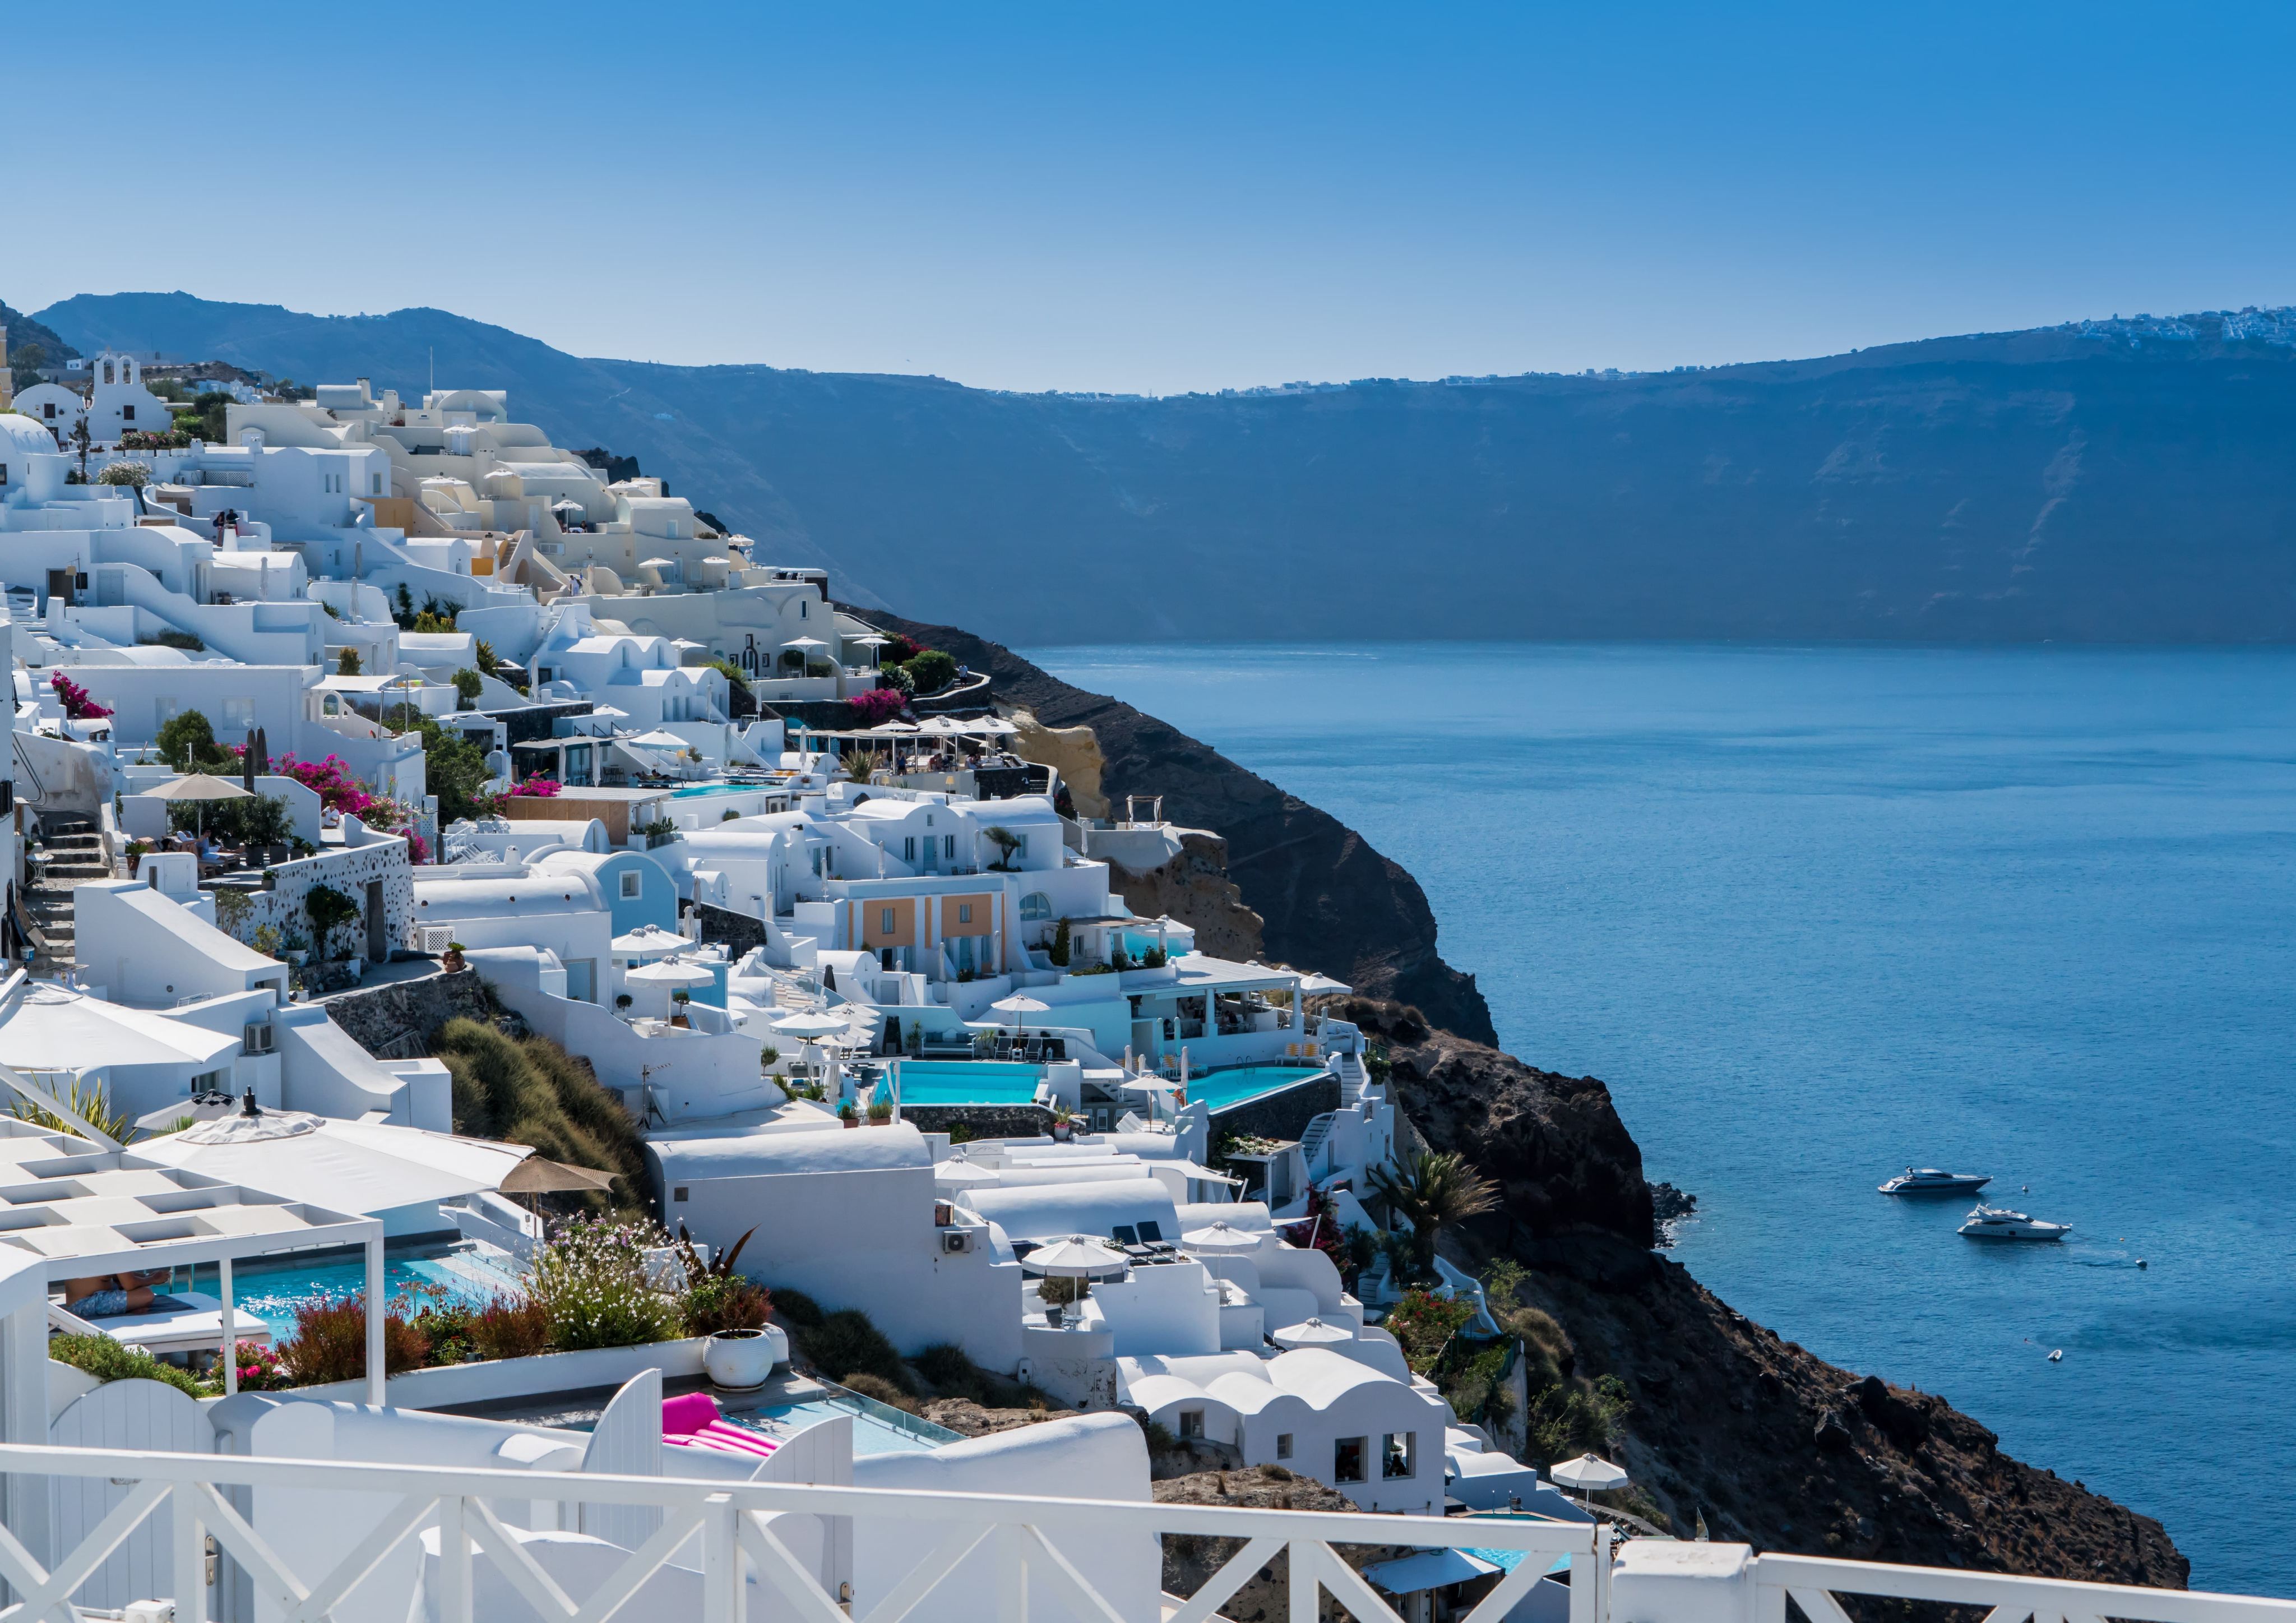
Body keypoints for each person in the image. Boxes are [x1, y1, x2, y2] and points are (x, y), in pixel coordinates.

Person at [64, 1269, 171, 1318]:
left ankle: (129, 1308)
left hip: (76, 1304)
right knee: (146, 1294)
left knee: (133, 1288)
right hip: (85, 1305)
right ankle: (130, 1309)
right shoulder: (115, 1246)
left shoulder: (95, 1245)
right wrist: (153, 1279)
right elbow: (130, 1283)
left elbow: (119, 1275)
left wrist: (148, 1276)